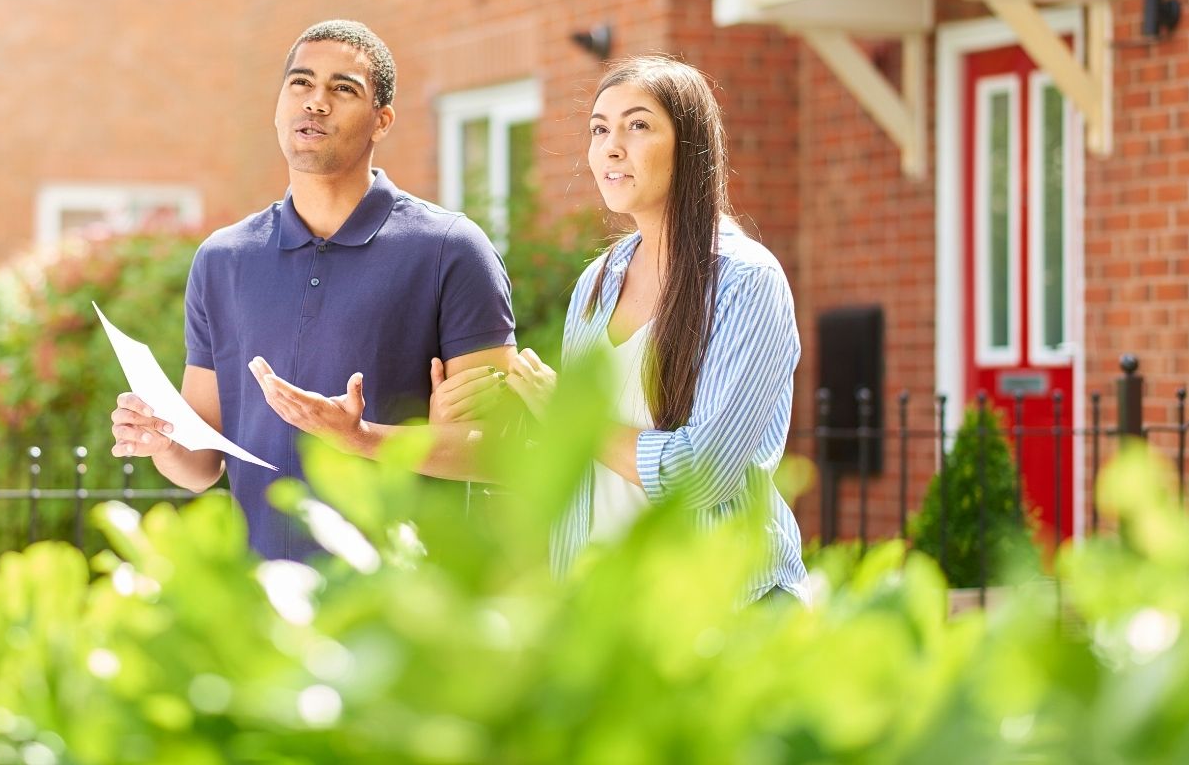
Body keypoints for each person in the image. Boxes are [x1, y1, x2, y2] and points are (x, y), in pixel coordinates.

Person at [251, 56, 809, 602]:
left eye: (638, 125)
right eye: (599, 129)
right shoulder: (601, 281)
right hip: (609, 616)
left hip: (728, 609)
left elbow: (706, 474)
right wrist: (378, 435)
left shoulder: (746, 282)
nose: (610, 147)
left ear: (690, 146)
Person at [109, 20, 516, 560]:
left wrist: (361, 436)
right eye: (300, 84)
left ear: (382, 120)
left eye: (343, 89)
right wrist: (162, 441)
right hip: (266, 602)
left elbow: (499, 449)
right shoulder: (223, 259)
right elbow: (202, 466)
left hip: (402, 604)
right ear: (278, 107)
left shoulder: (449, 248)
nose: (315, 103)